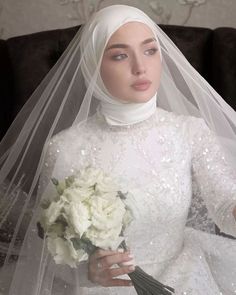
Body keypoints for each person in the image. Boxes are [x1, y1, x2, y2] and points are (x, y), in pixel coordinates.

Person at [0, 4, 236, 295]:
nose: (140, 66)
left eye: (150, 50)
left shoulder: (189, 131)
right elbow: (48, 250)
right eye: (120, 55)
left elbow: (227, 206)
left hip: (183, 276)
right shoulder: (64, 148)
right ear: (92, 64)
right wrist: (86, 273)